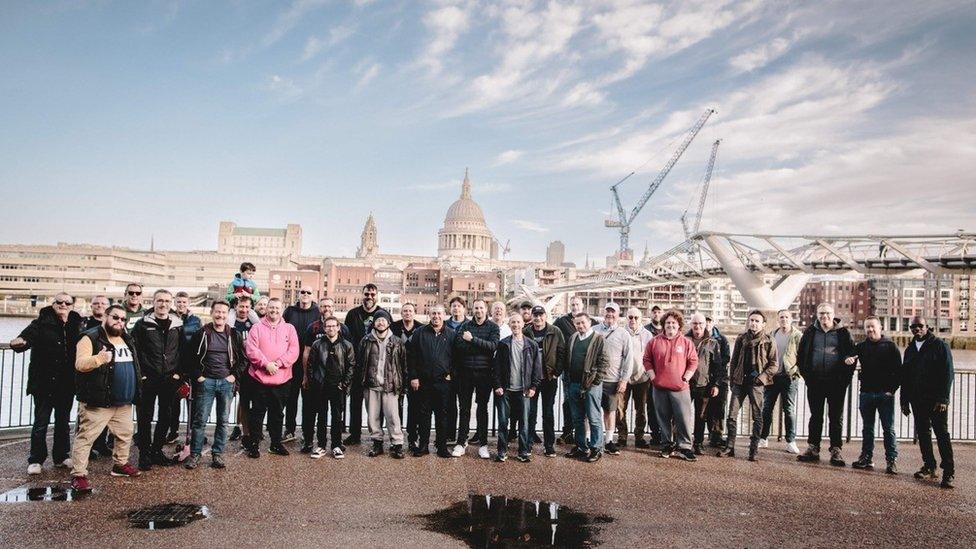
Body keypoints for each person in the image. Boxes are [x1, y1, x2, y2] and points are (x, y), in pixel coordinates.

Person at [69, 305, 142, 491]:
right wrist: (99, 359)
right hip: (99, 401)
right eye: (115, 317)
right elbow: (80, 364)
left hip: (123, 401)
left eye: (122, 319)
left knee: (125, 434)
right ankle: (78, 474)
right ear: (105, 317)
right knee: (86, 437)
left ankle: (120, 464)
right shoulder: (90, 337)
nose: (119, 322)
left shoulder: (126, 338)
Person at [10, 293, 83, 475]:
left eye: (67, 302)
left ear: (72, 305)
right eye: (59, 302)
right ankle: (36, 460)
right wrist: (19, 342)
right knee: (41, 423)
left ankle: (61, 456)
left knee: (63, 422)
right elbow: (25, 339)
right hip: (43, 383)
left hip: (66, 384)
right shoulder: (42, 322)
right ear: (53, 304)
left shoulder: (77, 324)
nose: (63, 305)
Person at [182, 301, 245, 470]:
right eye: (217, 312)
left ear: (227, 314)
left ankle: (217, 454)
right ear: (212, 313)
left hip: (226, 383)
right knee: (200, 421)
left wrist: (233, 376)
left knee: (223, 421)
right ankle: (195, 455)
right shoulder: (201, 333)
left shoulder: (234, 335)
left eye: (224, 312)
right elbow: (190, 357)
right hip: (206, 382)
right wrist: (198, 377)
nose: (220, 315)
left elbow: (242, 360)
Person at [130, 289, 184, 470]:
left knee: (166, 416)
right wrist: (142, 375)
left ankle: (157, 450)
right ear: (153, 302)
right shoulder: (142, 324)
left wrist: (179, 374)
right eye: (160, 300)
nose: (163, 304)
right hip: (149, 378)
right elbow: (135, 350)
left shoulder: (177, 324)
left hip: (169, 378)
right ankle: (145, 453)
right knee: (145, 417)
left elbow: (183, 351)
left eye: (167, 301)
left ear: (172, 303)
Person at [797, 303, 857, 466]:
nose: (825, 316)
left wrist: (845, 379)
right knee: (815, 416)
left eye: (828, 313)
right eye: (821, 313)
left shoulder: (843, 333)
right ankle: (813, 448)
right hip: (815, 381)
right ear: (817, 315)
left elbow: (852, 354)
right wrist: (807, 376)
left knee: (835, 417)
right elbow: (801, 355)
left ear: (833, 314)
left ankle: (836, 450)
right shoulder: (810, 332)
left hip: (836, 383)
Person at [901, 316, 954, 489]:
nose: (917, 329)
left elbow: (948, 373)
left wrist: (943, 398)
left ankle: (948, 472)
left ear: (927, 327)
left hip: (936, 401)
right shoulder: (909, 349)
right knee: (923, 434)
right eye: (913, 326)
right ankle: (929, 465)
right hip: (917, 400)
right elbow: (905, 378)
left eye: (920, 326)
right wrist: (904, 401)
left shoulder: (939, 345)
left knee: (942, 434)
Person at [243, 298, 299, 458]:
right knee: (257, 413)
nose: (274, 310)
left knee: (277, 413)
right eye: (271, 307)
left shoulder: (289, 328)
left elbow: (294, 351)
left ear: (282, 310)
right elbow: (251, 350)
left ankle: (275, 443)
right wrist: (266, 364)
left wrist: (278, 363)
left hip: (282, 379)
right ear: (266, 309)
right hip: (259, 378)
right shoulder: (256, 327)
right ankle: (254, 444)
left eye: (277, 308)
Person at [720, 310, 777, 461]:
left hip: (756, 384)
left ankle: (754, 449)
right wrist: (732, 380)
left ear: (763, 324)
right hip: (740, 382)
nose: (753, 323)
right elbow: (733, 362)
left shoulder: (769, 340)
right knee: (732, 415)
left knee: (757, 417)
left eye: (757, 321)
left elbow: (774, 364)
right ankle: (730, 447)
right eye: (751, 320)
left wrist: (762, 378)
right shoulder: (741, 339)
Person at [644, 310, 698, 461]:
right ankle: (667, 444)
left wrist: (686, 378)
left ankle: (685, 447)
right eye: (668, 322)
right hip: (659, 387)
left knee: (683, 418)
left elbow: (693, 361)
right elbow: (647, 359)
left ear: (679, 325)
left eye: (674, 323)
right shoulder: (654, 341)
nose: (670, 325)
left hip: (680, 388)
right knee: (663, 418)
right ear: (663, 325)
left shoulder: (686, 343)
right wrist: (653, 377)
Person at [850, 316, 901, 474]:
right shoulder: (861, 347)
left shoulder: (890, 346)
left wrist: (891, 391)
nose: (870, 330)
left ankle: (891, 461)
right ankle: (866, 457)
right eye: (867, 327)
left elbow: (899, 372)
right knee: (867, 428)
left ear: (880, 328)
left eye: (873, 326)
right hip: (866, 393)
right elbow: (849, 355)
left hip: (884, 395)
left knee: (888, 429)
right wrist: (849, 358)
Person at [451, 299, 499, 459]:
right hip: (465, 373)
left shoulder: (493, 327)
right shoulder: (465, 326)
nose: (478, 311)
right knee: (464, 409)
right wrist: (479, 346)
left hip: (484, 373)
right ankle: (461, 442)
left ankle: (483, 444)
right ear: (472, 310)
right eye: (476, 308)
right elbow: (459, 347)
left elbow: (492, 347)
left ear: (486, 310)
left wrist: (472, 340)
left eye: (481, 308)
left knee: (482, 409)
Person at [406, 305, 456, 458]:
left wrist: (451, 375)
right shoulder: (420, 333)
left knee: (442, 416)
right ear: (429, 315)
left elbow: (457, 358)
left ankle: (441, 447)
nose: (436, 316)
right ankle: (423, 446)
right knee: (424, 415)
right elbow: (412, 356)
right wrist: (413, 376)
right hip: (424, 382)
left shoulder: (451, 334)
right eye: (433, 313)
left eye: (439, 313)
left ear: (444, 315)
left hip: (443, 382)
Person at [493, 314, 542, 462]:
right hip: (506, 390)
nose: (515, 325)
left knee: (524, 422)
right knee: (502, 422)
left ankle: (523, 451)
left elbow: (536, 368)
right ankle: (502, 451)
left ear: (523, 324)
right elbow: (496, 367)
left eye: (518, 322)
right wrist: (498, 385)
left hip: (524, 390)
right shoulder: (503, 344)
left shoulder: (531, 344)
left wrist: (533, 386)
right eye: (513, 322)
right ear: (509, 324)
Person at [305, 316, 355, 459]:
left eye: (334, 326)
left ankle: (336, 445)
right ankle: (321, 445)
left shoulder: (347, 345)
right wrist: (314, 381)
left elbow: (351, 366)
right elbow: (310, 365)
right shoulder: (317, 344)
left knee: (337, 417)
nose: (331, 328)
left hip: (338, 386)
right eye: (328, 326)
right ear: (324, 328)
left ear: (338, 327)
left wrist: (344, 384)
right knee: (321, 417)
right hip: (321, 386)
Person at [358, 310, 407, 459]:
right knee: (373, 417)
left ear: (388, 322)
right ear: (374, 323)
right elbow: (360, 363)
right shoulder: (366, 340)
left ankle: (397, 444)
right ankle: (377, 442)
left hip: (390, 385)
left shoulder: (397, 341)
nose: (381, 322)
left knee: (393, 416)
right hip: (371, 384)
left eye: (383, 320)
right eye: (378, 320)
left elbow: (403, 365)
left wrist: (402, 385)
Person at [343, 283, 387, 446]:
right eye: (367, 294)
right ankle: (354, 434)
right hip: (356, 365)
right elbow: (346, 340)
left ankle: (377, 436)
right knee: (355, 401)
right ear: (362, 294)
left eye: (372, 294)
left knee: (377, 403)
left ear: (377, 296)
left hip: (376, 366)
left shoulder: (383, 314)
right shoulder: (352, 314)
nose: (369, 297)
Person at [563, 313, 608, 463]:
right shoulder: (574, 338)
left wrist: (596, 382)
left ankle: (596, 448)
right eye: (577, 324)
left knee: (594, 418)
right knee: (577, 419)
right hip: (574, 384)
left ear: (589, 322)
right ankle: (581, 446)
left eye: (583, 323)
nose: (580, 326)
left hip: (591, 385)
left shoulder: (598, 339)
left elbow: (604, 362)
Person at [758, 309, 803, 454]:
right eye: (781, 317)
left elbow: (803, 355)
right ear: (778, 320)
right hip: (772, 377)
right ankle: (763, 438)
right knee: (766, 408)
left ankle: (791, 441)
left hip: (789, 377)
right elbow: (765, 355)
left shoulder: (797, 336)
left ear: (791, 319)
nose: (784, 319)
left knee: (789, 410)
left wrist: (796, 372)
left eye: (786, 317)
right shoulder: (772, 335)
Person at [524, 305, 565, 457]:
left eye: (541, 315)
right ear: (532, 316)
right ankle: (528, 444)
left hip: (549, 379)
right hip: (532, 380)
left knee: (548, 413)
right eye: (535, 315)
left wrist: (556, 373)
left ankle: (549, 446)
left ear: (545, 316)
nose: (538, 318)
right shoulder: (526, 332)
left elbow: (562, 352)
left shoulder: (555, 331)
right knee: (530, 413)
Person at [592, 302, 631, 456]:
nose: (610, 314)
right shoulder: (594, 330)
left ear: (618, 314)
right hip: (595, 379)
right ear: (604, 313)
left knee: (610, 412)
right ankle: (591, 439)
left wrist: (624, 379)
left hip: (613, 379)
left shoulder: (623, 333)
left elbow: (628, 358)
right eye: (607, 312)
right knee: (592, 412)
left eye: (613, 312)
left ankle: (608, 441)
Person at [283, 286, 319, 448]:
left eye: (308, 292)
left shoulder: (317, 312)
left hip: (309, 364)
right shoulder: (290, 311)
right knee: (290, 398)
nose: (305, 295)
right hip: (291, 362)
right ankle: (289, 429)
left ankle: (306, 433)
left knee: (308, 401)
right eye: (302, 292)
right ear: (298, 295)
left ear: (313, 295)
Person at [687, 313, 726, 455]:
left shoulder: (713, 343)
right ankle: (682, 442)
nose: (697, 326)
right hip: (686, 384)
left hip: (704, 385)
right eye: (695, 323)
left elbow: (718, 366)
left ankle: (698, 443)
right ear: (691, 324)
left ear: (705, 325)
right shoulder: (685, 340)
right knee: (682, 415)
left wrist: (716, 384)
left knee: (701, 417)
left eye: (700, 324)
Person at [167, 291, 202, 444]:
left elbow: (201, 342)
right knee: (174, 401)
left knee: (193, 401)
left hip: (191, 365)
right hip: (175, 366)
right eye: (179, 302)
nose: (181, 305)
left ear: (188, 303)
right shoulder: (169, 318)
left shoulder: (195, 321)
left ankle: (193, 432)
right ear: (175, 303)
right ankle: (173, 431)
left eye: (184, 302)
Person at [617, 308, 654, 449]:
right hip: (623, 379)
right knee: (620, 409)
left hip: (642, 379)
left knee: (641, 410)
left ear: (641, 319)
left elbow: (651, 357)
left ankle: (639, 436)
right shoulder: (620, 333)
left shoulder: (648, 335)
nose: (633, 320)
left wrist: (648, 374)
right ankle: (622, 436)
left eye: (636, 318)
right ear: (626, 318)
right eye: (630, 317)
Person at [82, 294, 112, 459]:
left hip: (108, 374)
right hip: (89, 374)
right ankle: (87, 448)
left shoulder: (113, 325)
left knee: (105, 412)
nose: (99, 305)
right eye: (96, 303)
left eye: (103, 303)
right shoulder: (84, 325)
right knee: (88, 415)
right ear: (91, 306)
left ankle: (101, 444)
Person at [392, 303, 424, 452]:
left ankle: (412, 439)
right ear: (401, 313)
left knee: (414, 407)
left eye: (410, 311)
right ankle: (396, 439)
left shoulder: (421, 328)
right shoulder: (394, 327)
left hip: (413, 373)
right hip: (396, 372)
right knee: (395, 408)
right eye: (405, 311)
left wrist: (415, 375)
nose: (407, 313)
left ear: (414, 313)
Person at [553, 296, 584, 444]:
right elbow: (550, 333)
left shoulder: (590, 321)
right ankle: (567, 431)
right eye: (572, 304)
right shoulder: (561, 321)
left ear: (582, 306)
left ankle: (581, 433)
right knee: (568, 400)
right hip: (568, 369)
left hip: (585, 371)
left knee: (584, 401)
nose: (575, 307)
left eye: (577, 304)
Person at [229, 296, 255, 444]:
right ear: (236, 307)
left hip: (250, 366)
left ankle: (246, 431)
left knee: (246, 399)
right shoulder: (230, 323)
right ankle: (233, 427)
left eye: (247, 307)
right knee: (229, 399)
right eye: (241, 307)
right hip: (233, 367)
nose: (244, 310)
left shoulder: (253, 323)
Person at [705, 315, 731, 447]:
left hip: (721, 379)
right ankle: (711, 435)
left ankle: (718, 435)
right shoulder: (702, 339)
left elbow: (726, 358)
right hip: (705, 379)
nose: (707, 324)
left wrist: (717, 367)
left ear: (713, 323)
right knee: (708, 409)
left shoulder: (722, 339)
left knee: (720, 408)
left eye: (709, 321)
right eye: (705, 321)